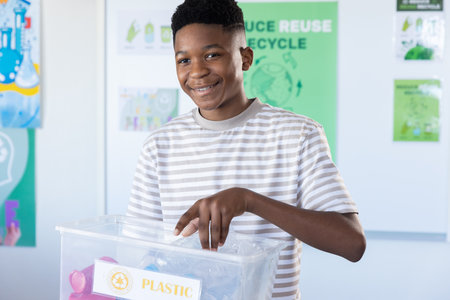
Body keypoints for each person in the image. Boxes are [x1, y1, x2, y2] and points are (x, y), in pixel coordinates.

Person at [127, 0, 366, 298]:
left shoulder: (298, 135)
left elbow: (352, 243)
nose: (197, 71)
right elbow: (138, 255)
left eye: (212, 55)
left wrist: (248, 200)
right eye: (183, 60)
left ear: (246, 58)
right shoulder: (159, 146)